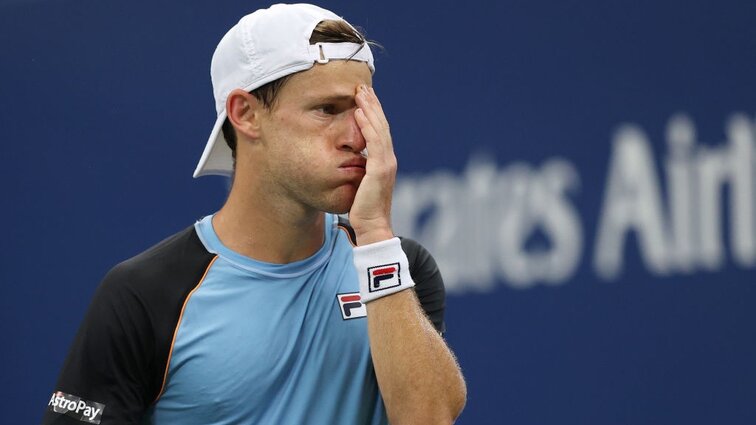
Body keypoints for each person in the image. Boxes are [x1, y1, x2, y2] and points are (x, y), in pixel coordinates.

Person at [42, 3, 467, 424]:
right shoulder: (144, 295)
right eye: (328, 110)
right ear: (245, 114)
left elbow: (430, 419)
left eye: (363, 110)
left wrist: (374, 234)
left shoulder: (396, 268)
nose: (358, 137)